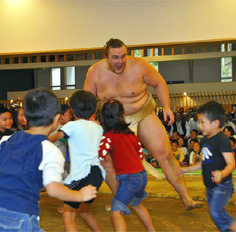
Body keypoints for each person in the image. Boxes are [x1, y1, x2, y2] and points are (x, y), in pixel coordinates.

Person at [84, 38, 201, 210]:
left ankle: (187, 199)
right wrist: (91, 121)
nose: (120, 61)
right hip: (114, 122)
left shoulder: (139, 66)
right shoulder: (94, 72)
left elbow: (159, 83)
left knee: (165, 154)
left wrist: (167, 107)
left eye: (123, 56)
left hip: (143, 114)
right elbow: (87, 100)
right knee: (107, 161)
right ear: (106, 57)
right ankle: (120, 200)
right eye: (115, 57)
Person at [0, 88, 97, 232]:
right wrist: (79, 195)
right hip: (18, 214)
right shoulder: (50, 150)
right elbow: (53, 189)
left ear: (26, 118)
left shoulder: (6, 139)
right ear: (56, 119)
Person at [177, 101, 236, 232]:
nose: (199, 125)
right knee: (216, 216)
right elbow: (205, 162)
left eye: (202, 122)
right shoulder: (206, 139)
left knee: (216, 213)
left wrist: (222, 173)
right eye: (199, 121)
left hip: (223, 184)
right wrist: (187, 169)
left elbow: (231, 163)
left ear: (215, 123)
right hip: (210, 186)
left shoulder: (222, 140)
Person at [49, 90, 105, 232]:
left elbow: (52, 139)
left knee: (68, 214)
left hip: (82, 174)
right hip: (97, 174)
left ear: (72, 110)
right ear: (93, 109)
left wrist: (50, 128)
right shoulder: (98, 128)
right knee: (84, 212)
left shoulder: (72, 126)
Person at [98, 100, 155, 232]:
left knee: (116, 212)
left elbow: (100, 156)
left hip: (129, 179)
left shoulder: (108, 137)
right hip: (142, 176)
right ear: (122, 115)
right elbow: (140, 154)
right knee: (137, 205)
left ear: (104, 118)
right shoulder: (131, 135)